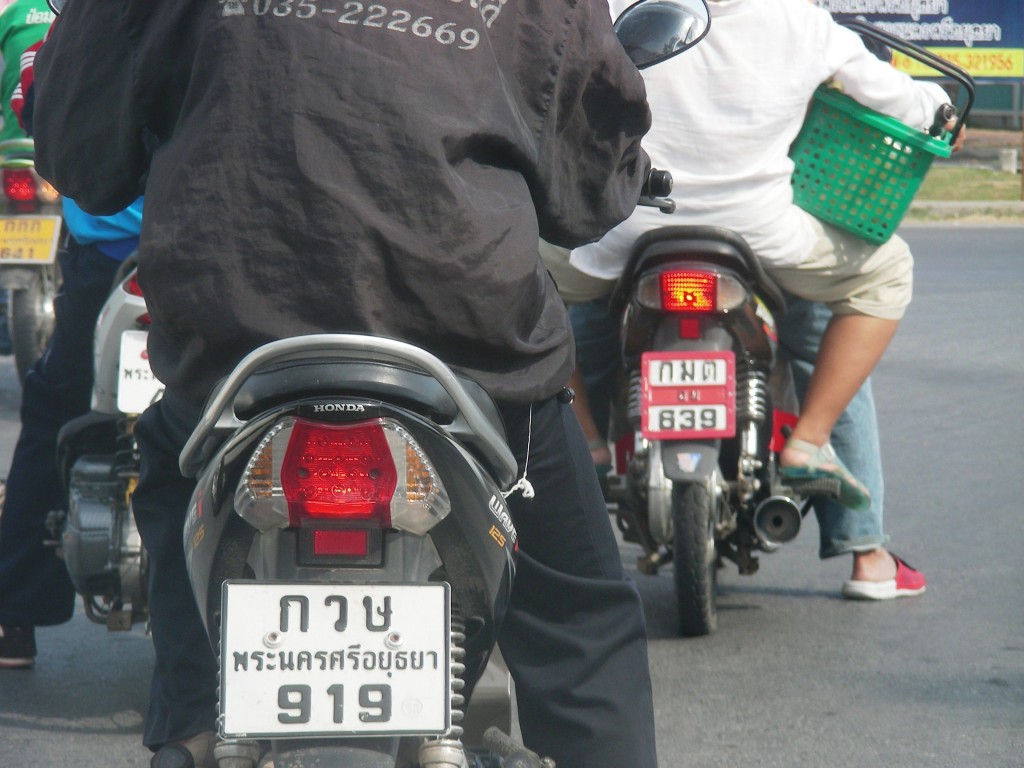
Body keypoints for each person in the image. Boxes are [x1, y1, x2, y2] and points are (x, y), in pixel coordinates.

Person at [31, 2, 660, 767]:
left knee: (169, 473)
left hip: (234, 347)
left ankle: (197, 716)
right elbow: (588, 189)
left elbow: (78, 151)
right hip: (474, 356)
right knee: (580, 625)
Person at [553, 0, 965, 598]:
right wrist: (941, 111)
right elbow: (907, 103)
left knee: (530, 285)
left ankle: (586, 445)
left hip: (624, 232)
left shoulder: (616, 9)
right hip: (757, 237)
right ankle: (813, 447)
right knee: (884, 273)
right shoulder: (798, 22)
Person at [0, 34, 145, 668]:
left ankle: (15, 615)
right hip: (230, 254)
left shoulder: (92, 20)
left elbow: (35, 101)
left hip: (113, 258)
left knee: (55, 413)